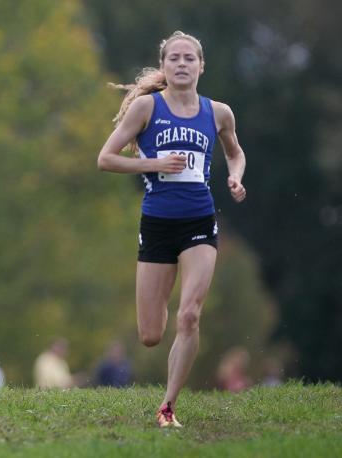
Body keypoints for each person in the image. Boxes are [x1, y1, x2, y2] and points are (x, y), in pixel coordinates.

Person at [97, 31, 248, 427]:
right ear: (164, 66)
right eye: (174, 59)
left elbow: (235, 152)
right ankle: (162, 315)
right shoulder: (147, 108)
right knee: (150, 334)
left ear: (201, 66)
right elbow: (106, 159)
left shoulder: (218, 112)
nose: (181, 64)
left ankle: (167, 407)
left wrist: (235, 177)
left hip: (200, 222)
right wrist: (154, 165)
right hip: (158, 226)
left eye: (189, 58)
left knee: (190, 316)